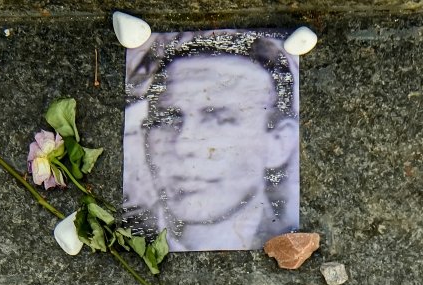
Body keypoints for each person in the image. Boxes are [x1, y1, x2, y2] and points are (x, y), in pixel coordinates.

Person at [125, 32, 298, 251]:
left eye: (219, 120)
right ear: (144, 138)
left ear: (278, 144)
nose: (184, 145)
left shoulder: (291, 235)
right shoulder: (124, 236)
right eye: (168, 120)